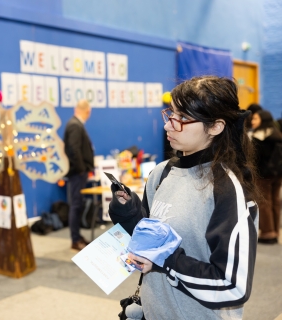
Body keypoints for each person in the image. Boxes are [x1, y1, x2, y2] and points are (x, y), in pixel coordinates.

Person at [109, 76, 259, 319]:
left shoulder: (227, 188)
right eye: (171, 114)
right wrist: (128, 213)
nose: (169, 126)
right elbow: (148, 239)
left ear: (215, 126)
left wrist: (166, 260)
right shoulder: (162, 172)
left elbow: (232, 288)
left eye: (182, 119)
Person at [63, 99, 94, 250]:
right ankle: (75, 239)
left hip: (78, 172)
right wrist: (82, 169)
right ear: (87, 111)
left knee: (77, 204)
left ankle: (77, 236)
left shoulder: (75, 124)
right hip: (77, 173)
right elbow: (74, 150)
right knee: (75, 205)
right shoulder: (75, 125)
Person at [250, 110, 282, 244]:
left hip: (263, 175)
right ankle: (275, 229)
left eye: (256, 119)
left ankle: (268, 233)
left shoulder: (259, 136)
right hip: (278, 174)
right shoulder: (277, 135)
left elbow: (255, 158)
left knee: (264, 202)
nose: (253, 121)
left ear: (263, 120)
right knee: (275, 201)